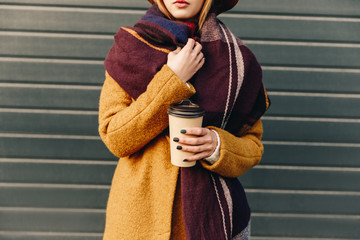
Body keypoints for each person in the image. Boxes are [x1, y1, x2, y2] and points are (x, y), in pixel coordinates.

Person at [98, 0, 270, 239]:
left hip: (216, 219)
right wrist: (173, 80)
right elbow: (115, 138)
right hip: (140, 221)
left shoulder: (238, 61)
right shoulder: (130, 49)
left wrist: (218, 145)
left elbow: (253, 145)